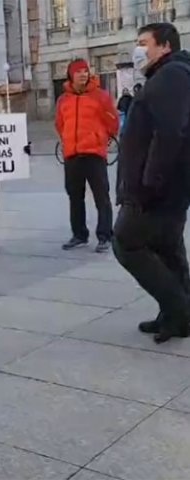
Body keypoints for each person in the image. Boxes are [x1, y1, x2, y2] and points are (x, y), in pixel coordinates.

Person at [114, 22, 190, 344]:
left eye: (143, 42)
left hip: (155, 190)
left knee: (126, 242)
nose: (138, 48)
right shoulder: (169, 75)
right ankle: (173, 316)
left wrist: (151, 181)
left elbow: (170, 132)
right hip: (170, 188)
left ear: (165, 46)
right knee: (167, 248)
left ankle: (180, 310)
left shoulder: (172, 76)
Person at [55, 58, 119, 253]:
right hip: (72, 155)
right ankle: (79, 234)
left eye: (85, 71)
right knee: (75, 197)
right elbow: (59, 124)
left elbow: (113, 123)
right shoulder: (63, 99)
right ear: (71, 75)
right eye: (79, 72)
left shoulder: (101, 96)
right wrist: (68, 141)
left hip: (94, 154)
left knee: (101, 196)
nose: (83, 74)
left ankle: (105, 235)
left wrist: (101, 139)